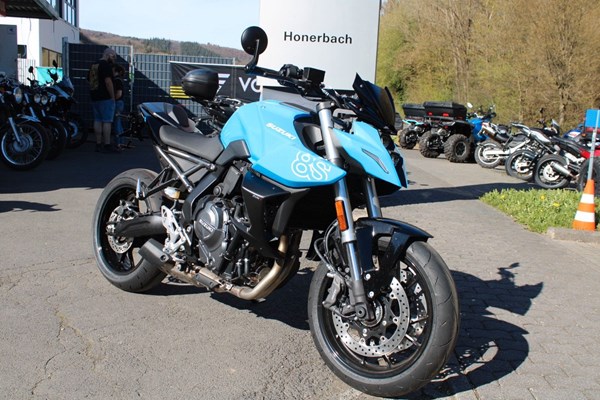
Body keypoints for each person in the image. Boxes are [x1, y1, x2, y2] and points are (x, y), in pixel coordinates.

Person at [88, 47, 117, 153]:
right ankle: (107, 144)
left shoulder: (93, 65)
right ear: (108, 55)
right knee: (107, 121)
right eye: (113, 57)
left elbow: (89, 80)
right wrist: (112, 96)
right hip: (105, 97)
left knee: (97, 120)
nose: (114, 59)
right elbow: (108, 82)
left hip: (95, 96)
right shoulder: (106, 66)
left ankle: (98, 143)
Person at [112, 64, 126, 150]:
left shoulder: (117, 81)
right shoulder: (120, 80)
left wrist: (113, 100)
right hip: (120, 103)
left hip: (117, 102)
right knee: (118, 123)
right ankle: (121, 142)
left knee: (116, 123)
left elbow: (119, 93)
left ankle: (118, 143)